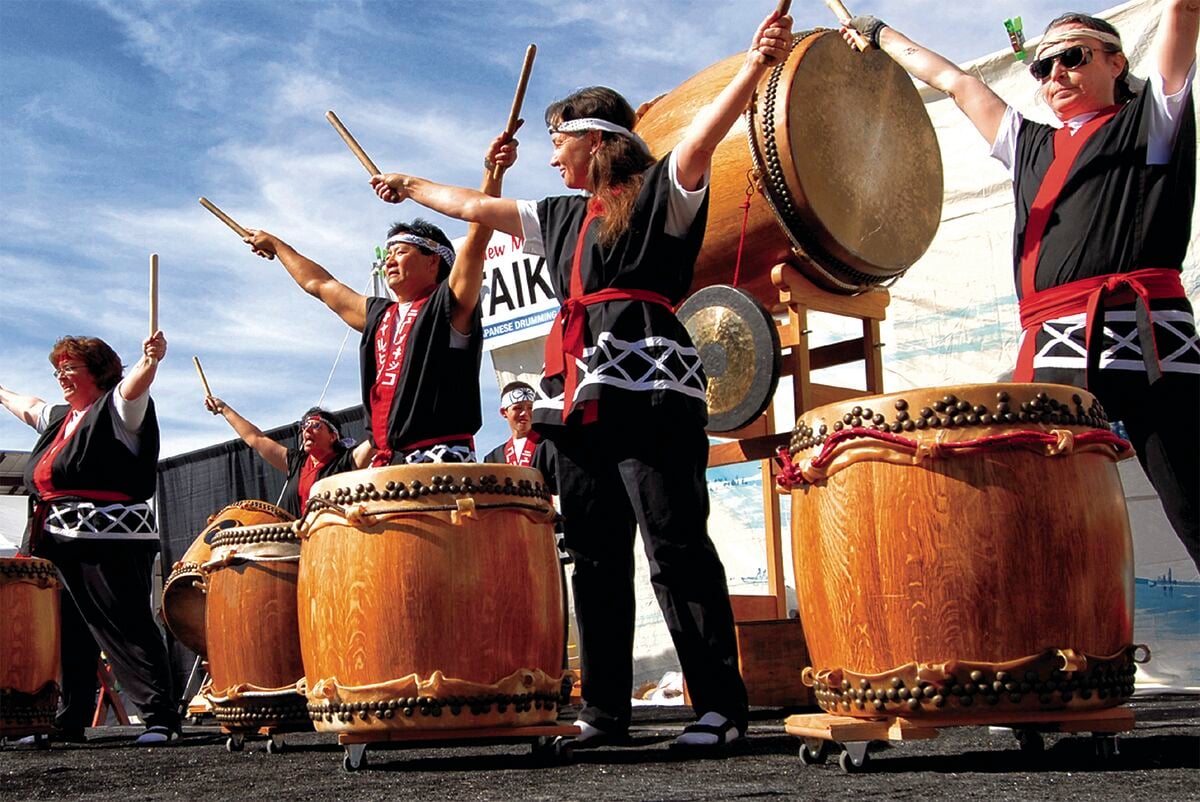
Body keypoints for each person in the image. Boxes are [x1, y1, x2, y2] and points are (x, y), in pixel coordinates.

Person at [367, 9, 794, 750]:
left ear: (599, 141)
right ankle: (605, 713)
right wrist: (409, 185)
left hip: (653, 385)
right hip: (580, 398)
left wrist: (755, 66)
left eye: (560, 142)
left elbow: (701, 139)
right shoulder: (560, 216)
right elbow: (475, 205)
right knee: (594, 556)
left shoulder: (663, 189)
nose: (553, 156)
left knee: (674, 544)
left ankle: (719, 709)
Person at [842, 4, 1199, 567]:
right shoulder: (1030, 144)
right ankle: (1069, 653)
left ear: (1116, 63)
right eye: (1042, 65)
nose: (1054, 72)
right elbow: (956, 83)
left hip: (1149, 337)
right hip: (1058, 345)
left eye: (1073, 57)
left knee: (1195, 504)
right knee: (1040, 517)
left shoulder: (1155, 119)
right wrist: (881, 35)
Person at [240, 138, 515, 464]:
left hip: (441, 456)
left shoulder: (449, 303)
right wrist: (276, 244)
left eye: (401, 252)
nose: (390, 261)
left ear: (433, 262)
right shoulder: (379, 314)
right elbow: (321, 284)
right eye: (388, 254)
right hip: (386, 457)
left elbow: (478, 232)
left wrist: (493, 171)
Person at [0, 333, 181, 744]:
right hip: (55, 542)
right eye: (58, 369)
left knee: (124, 622)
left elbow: (135, 387)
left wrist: (149, 361)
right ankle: (70, 719)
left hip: (107, 541)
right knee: (69, 632)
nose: (61, 376)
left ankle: (160, 718)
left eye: (70, 369)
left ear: (97, 372)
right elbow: (27, 405)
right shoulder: (61, 419)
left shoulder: (116, 408)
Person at [202, 398, 365, 517]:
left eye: (316, 426)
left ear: (333, 436)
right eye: (304, 426)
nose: (306, 431)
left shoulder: (346, 461)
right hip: (295, 547)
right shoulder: (297, 462)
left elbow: (377, 441)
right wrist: (223, 408)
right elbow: (256, 439)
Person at [482, 380, 557, 492]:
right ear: (504, 412)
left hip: (540, 509)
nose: (524, 413)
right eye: (518, 408)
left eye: (530, 408)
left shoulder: (550, 447)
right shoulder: (493, 458)